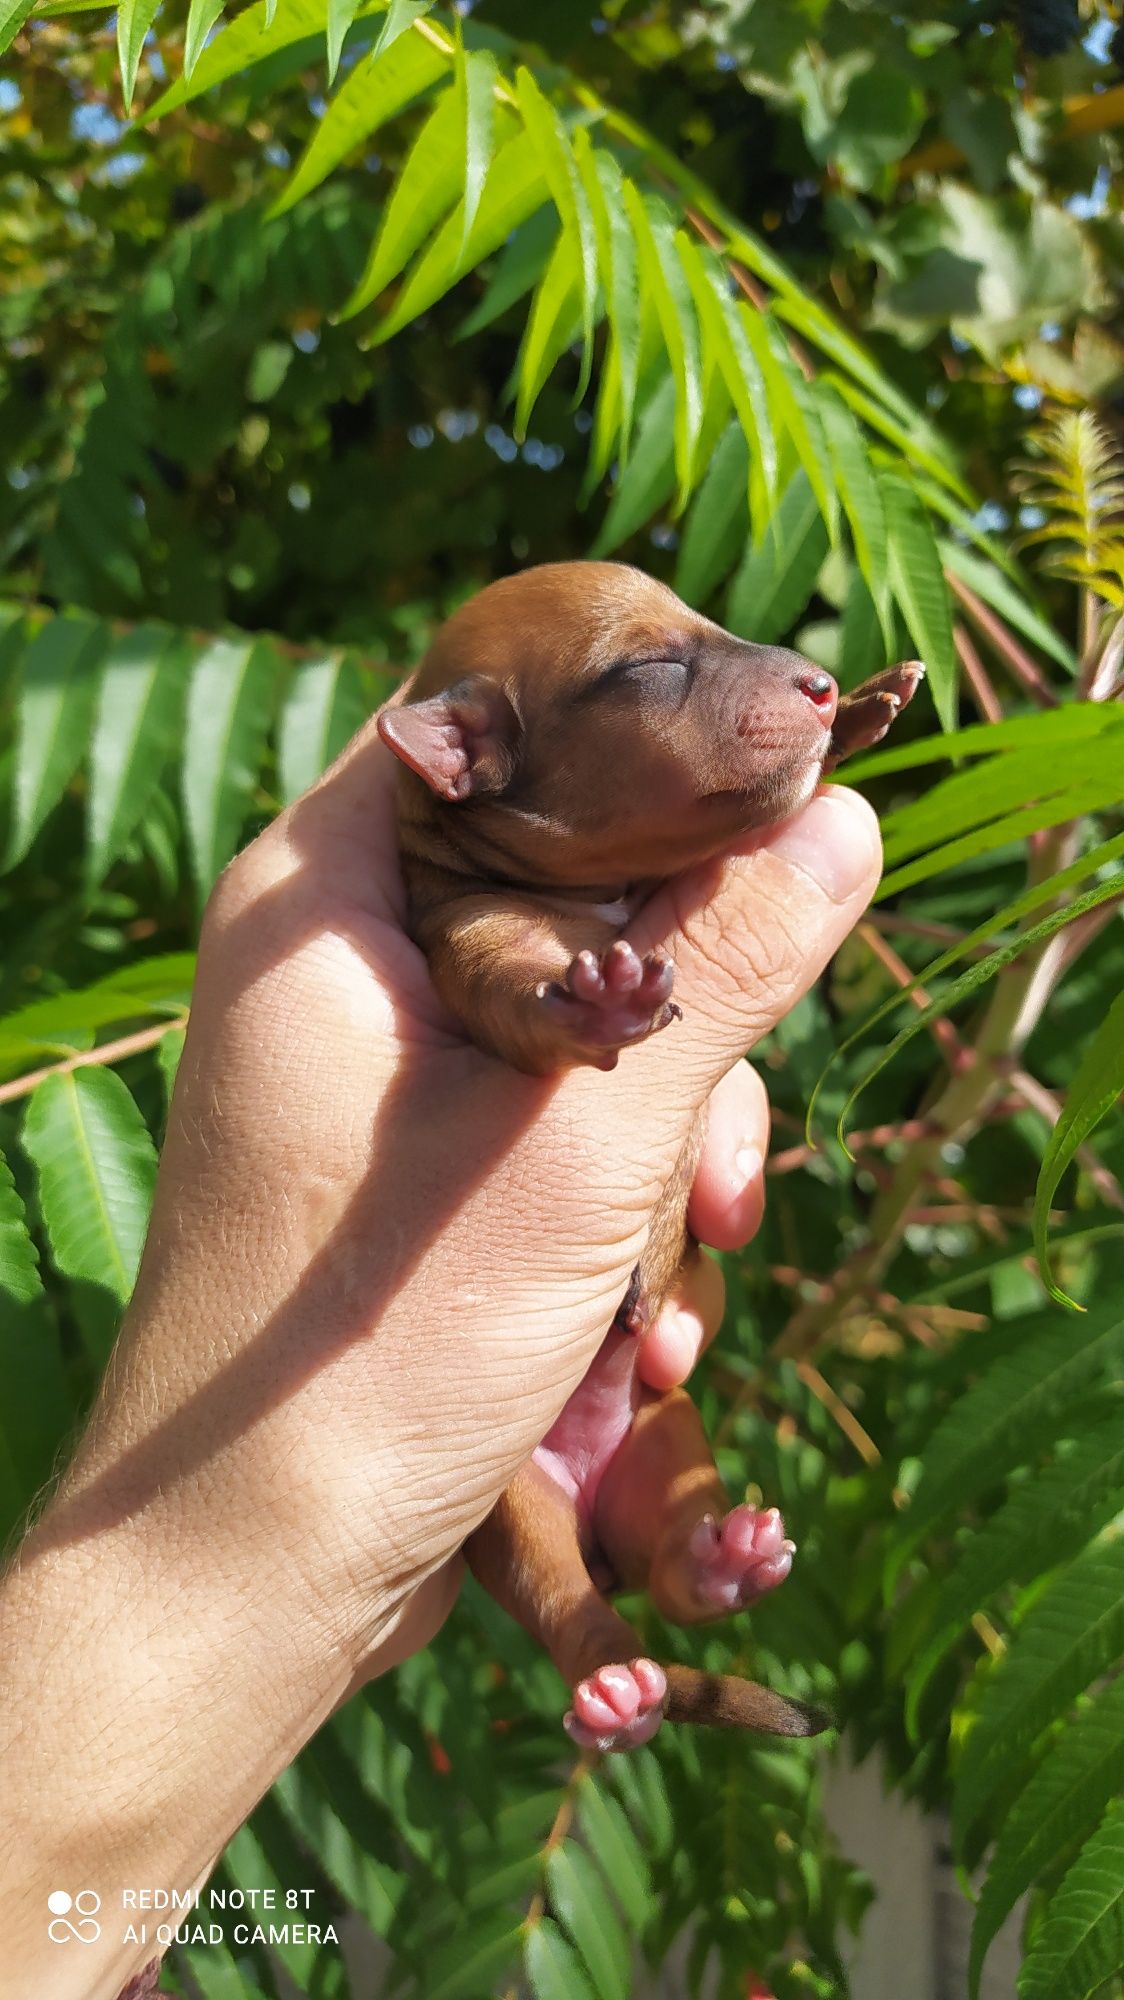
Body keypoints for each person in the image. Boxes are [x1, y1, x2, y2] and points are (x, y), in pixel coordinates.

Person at [0, 707, 881, 1999]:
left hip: (604, 1381)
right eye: (649, 681)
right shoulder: (464, 906)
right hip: (521, 1443)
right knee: (557, 1497)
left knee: (665, 1447)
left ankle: (688, 1566)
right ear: (465, 760)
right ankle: (615, 1628)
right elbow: (497, 968)